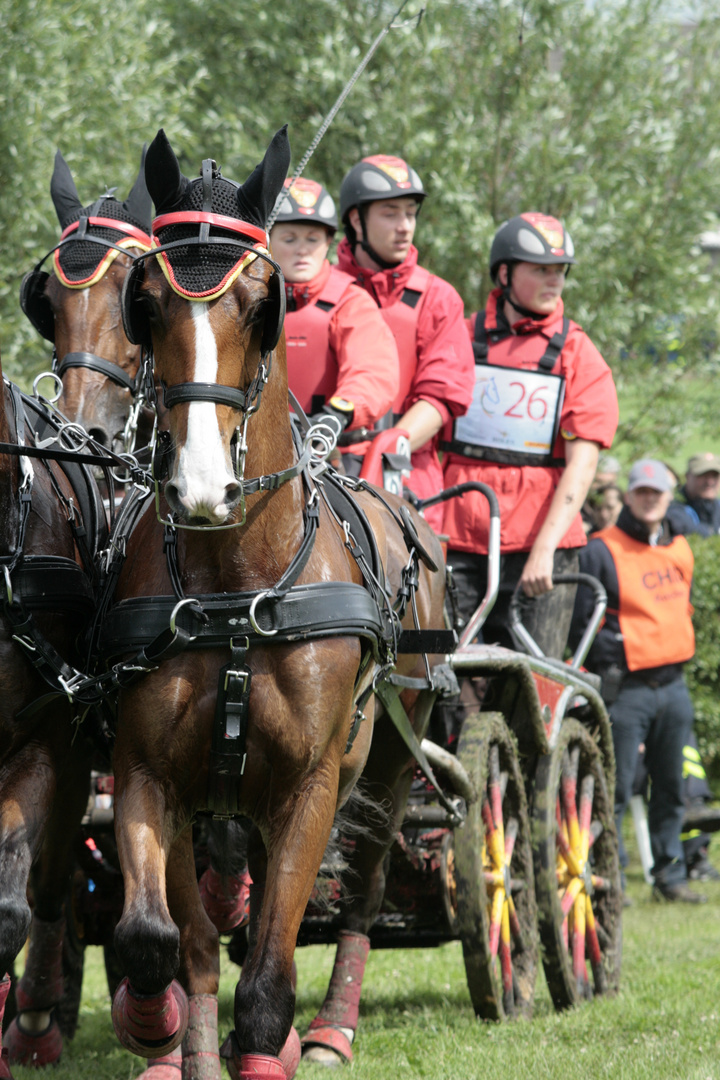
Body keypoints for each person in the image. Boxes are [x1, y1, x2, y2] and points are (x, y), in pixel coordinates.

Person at [441, 213, 619, 656]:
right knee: (435, 677)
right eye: (540, 269)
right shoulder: (461, 337)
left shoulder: (578, 352)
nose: (554, 280)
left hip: (542, 548)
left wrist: (546, 549)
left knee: (532, 691)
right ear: (504, 273)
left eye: (559, 271)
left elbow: (584, 463)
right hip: (457, 538)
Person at [569, 458, 707, 902]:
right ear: (629, 496)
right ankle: (611, 876)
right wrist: (616, 650)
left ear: (669, 498)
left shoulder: (680, 544)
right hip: (626, 689)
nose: (650, 500)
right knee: (616, 786)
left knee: (671, 787)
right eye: (642, 492)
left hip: (673, 686)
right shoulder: (600, 549)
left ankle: (671, 874)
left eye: (658, 493)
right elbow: (580, 625)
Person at [336, 155, 474, 529]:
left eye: (410, 214)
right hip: (325, 464)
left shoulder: (438, 298)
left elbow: (442, 397)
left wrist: (386, 448)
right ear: (355, 220)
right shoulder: (320, 291)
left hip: (407, 471)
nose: (405, 227)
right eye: (390, 213)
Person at [269, 177, 400, 472]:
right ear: (267, 240)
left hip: (336, 454)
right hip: (257, 452)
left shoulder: (350, 301)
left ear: (328, 242)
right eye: (290, 239)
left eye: (312, 239)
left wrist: (337, 415)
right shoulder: (248, 298)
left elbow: (372, 369)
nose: (302, 250)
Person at [666, 452, 720, 537]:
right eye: (703, 475)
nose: (710, 482)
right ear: (687, 476)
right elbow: (690, 531)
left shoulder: (717, 505)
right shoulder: (673, 506)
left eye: (715, 476)